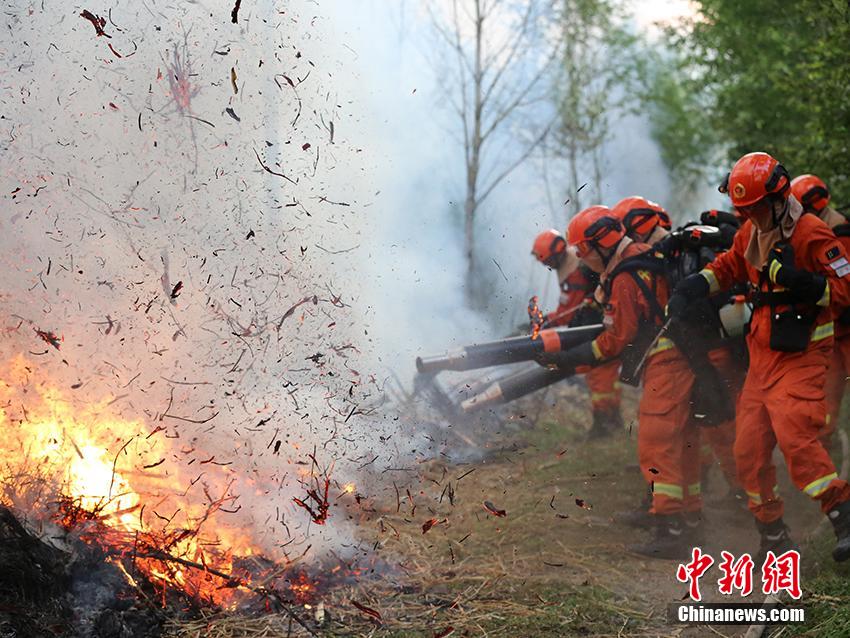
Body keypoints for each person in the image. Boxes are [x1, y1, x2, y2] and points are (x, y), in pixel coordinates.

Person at [668, 152, 850, 562]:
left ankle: (842, 516)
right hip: (762, 359)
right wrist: (696, 284)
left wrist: (800, 282)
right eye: (744, 209)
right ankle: (772, 534)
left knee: (796, 436)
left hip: (802, 354)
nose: (749, 215)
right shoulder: (750, 232)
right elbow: (730, 265)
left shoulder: (811, 233)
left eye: (754, 207)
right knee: (746, 451)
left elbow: (844, 291)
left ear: (778, 197)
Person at [541, 206, 702, 558]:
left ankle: (671, 530)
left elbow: (619, 338)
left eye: (583, 252)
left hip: (667, 361)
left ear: (602, 243)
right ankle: (689, 518)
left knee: (657, 443)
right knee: (682, 439)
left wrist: (573, 356)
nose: (581, 260)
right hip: (677, 357)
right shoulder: (635, 257)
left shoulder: (628, 275)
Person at [610, 197, 745, 518]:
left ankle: (745, 498)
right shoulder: (667, 255)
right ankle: (700, 500)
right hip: (698, 352)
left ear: (637, 227)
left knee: (720, 430)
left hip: (712, 351)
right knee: (695, 430)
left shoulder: (679, 253)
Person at [531, 229, 623, 438]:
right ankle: (612, 422)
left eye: (548, 261)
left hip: (598, 328)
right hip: (600, 325)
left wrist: (545, 322)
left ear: (556, 254)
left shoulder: (575, 272)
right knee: (603, 378)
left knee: (601, 379)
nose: (548, 266)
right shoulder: (574, 263)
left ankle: (605, 427)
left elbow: (567, 312)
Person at [791, 175, 850, 445]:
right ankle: (827, 447)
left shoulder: (838, 233)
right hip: (834, 333)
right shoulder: (823, 228)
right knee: (826, 400)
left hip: (844, 329)